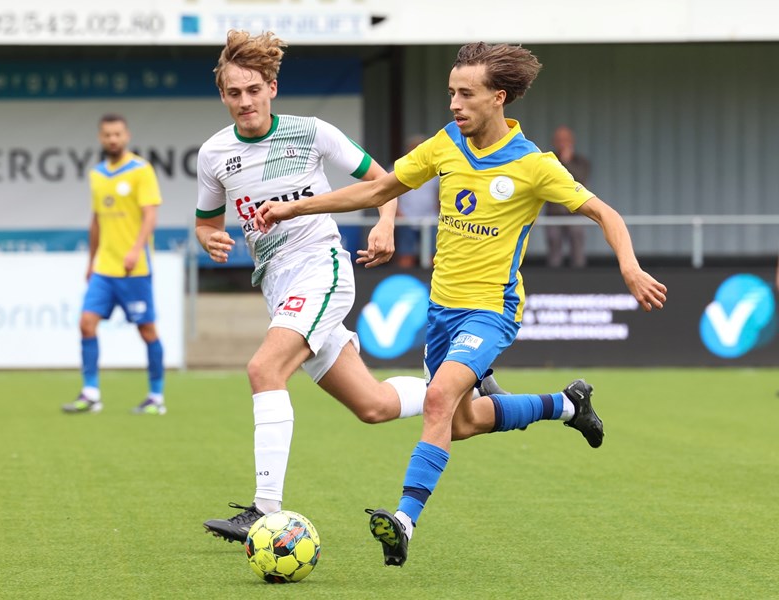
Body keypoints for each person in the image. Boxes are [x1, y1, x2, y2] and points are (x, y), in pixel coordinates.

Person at [257, 41, 668, 567]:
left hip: (491, 311)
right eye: (451, 92)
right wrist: (295, 209)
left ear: (499, 98)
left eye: (466, 94)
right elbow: (377, 191)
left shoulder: (534, 165)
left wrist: (629, 267)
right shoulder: (446, 144)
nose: (454, 103)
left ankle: (403, 521)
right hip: (441, 312)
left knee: (437, 400)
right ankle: (568, 405)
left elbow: (606, 214)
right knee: (462, 422)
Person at [194, 31, 507, 544]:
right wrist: (211, 239)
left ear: (272, 87)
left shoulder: (312, 132)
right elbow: (206, 222)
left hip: (321, 268)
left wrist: (384, 223)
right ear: (223, 96)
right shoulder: (214, 155)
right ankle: (463, 386)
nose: (245, 101)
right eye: (234, 93)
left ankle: (263, 509)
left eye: (254, 89)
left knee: (263, 369)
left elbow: (384, 181)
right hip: (277, 283)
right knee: (374, 406)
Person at [62, 114, 166, 416]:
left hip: (135, 269)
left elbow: (150, 215)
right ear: (100, 138)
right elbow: (96, 220)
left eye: (117, 134)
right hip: (105, 268)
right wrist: (90, 261)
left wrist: (136, 250)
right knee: (86, 323)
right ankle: (90, 392)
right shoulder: (96, 174)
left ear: (127, 135)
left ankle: (156, 396)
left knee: (146, 331)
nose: (112, 139)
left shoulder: (141, 170)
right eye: (107, 134)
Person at [545, 125, 592, 268]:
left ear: (572, 141)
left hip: (576, 212)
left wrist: (566, 162)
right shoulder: (547, 160)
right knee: (554, 249)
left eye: (565, 139)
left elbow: (580, 179)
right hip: (554, 213)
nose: (562, 143)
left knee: (577, 249)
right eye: (559, 140)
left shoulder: (581, 162)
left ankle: (580, 282)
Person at [393, 135, 440, 268]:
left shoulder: (436, 169)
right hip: (406, 219)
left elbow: (440, 195)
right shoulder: (398, 167)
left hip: (430, 220)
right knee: (406, 256)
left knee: (434, 256)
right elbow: (388, 194)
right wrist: (397, 214)